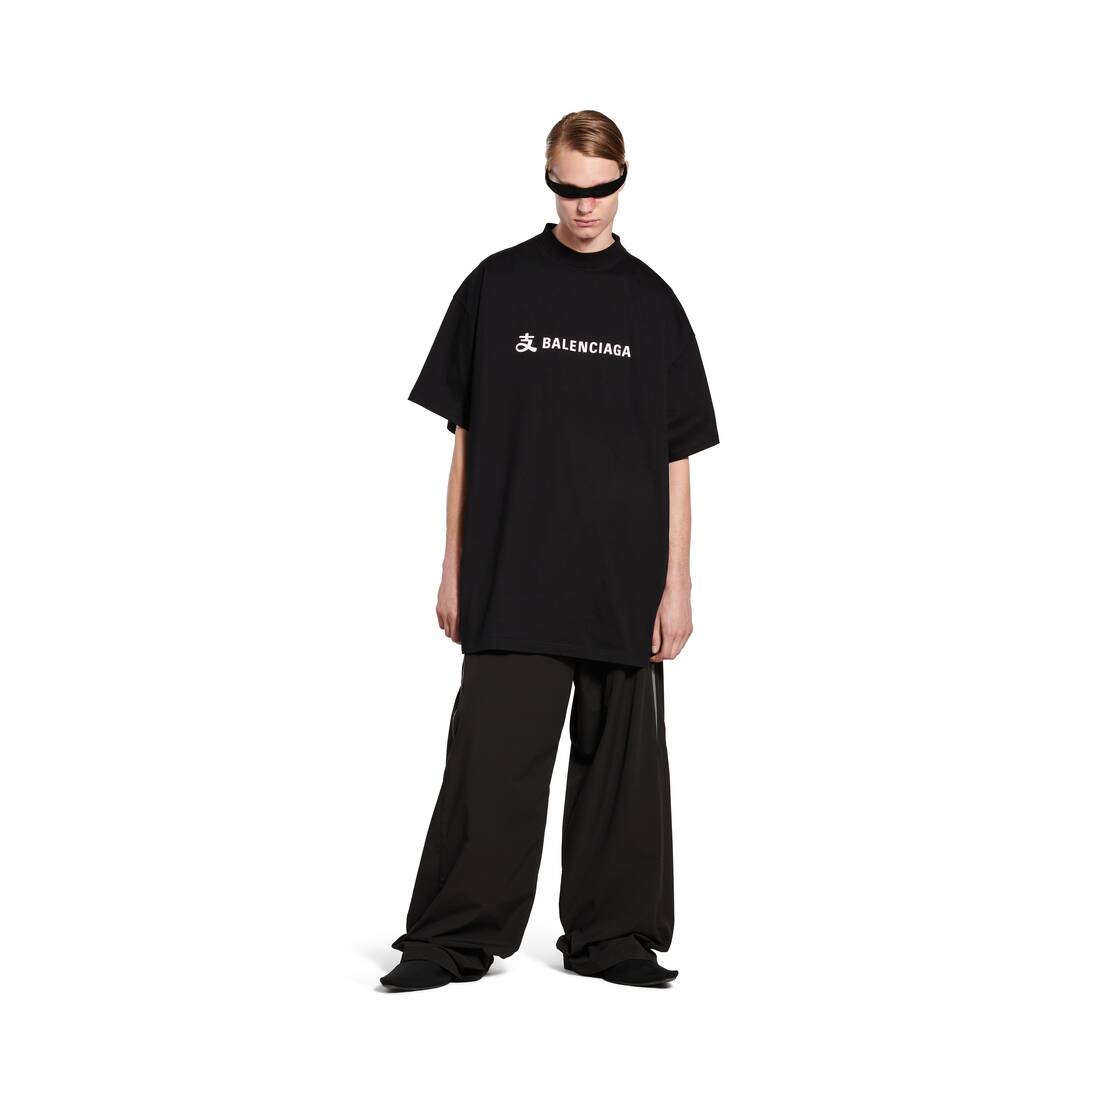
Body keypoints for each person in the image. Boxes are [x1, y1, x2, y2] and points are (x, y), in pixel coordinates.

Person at [380, 110, 720, 991]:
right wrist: (453, 566)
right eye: (568, 189)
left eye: (600, 190)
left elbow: (676, 456)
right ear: (549, 181)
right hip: (515, 570)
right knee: (490, 769)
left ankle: (615, 939)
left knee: (623, 780)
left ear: (623, 182)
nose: (584, 207)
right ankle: (450, 939)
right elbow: (466, 441)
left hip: (623, 577)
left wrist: (678, 583)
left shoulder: (652, 303)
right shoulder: (497, 288)